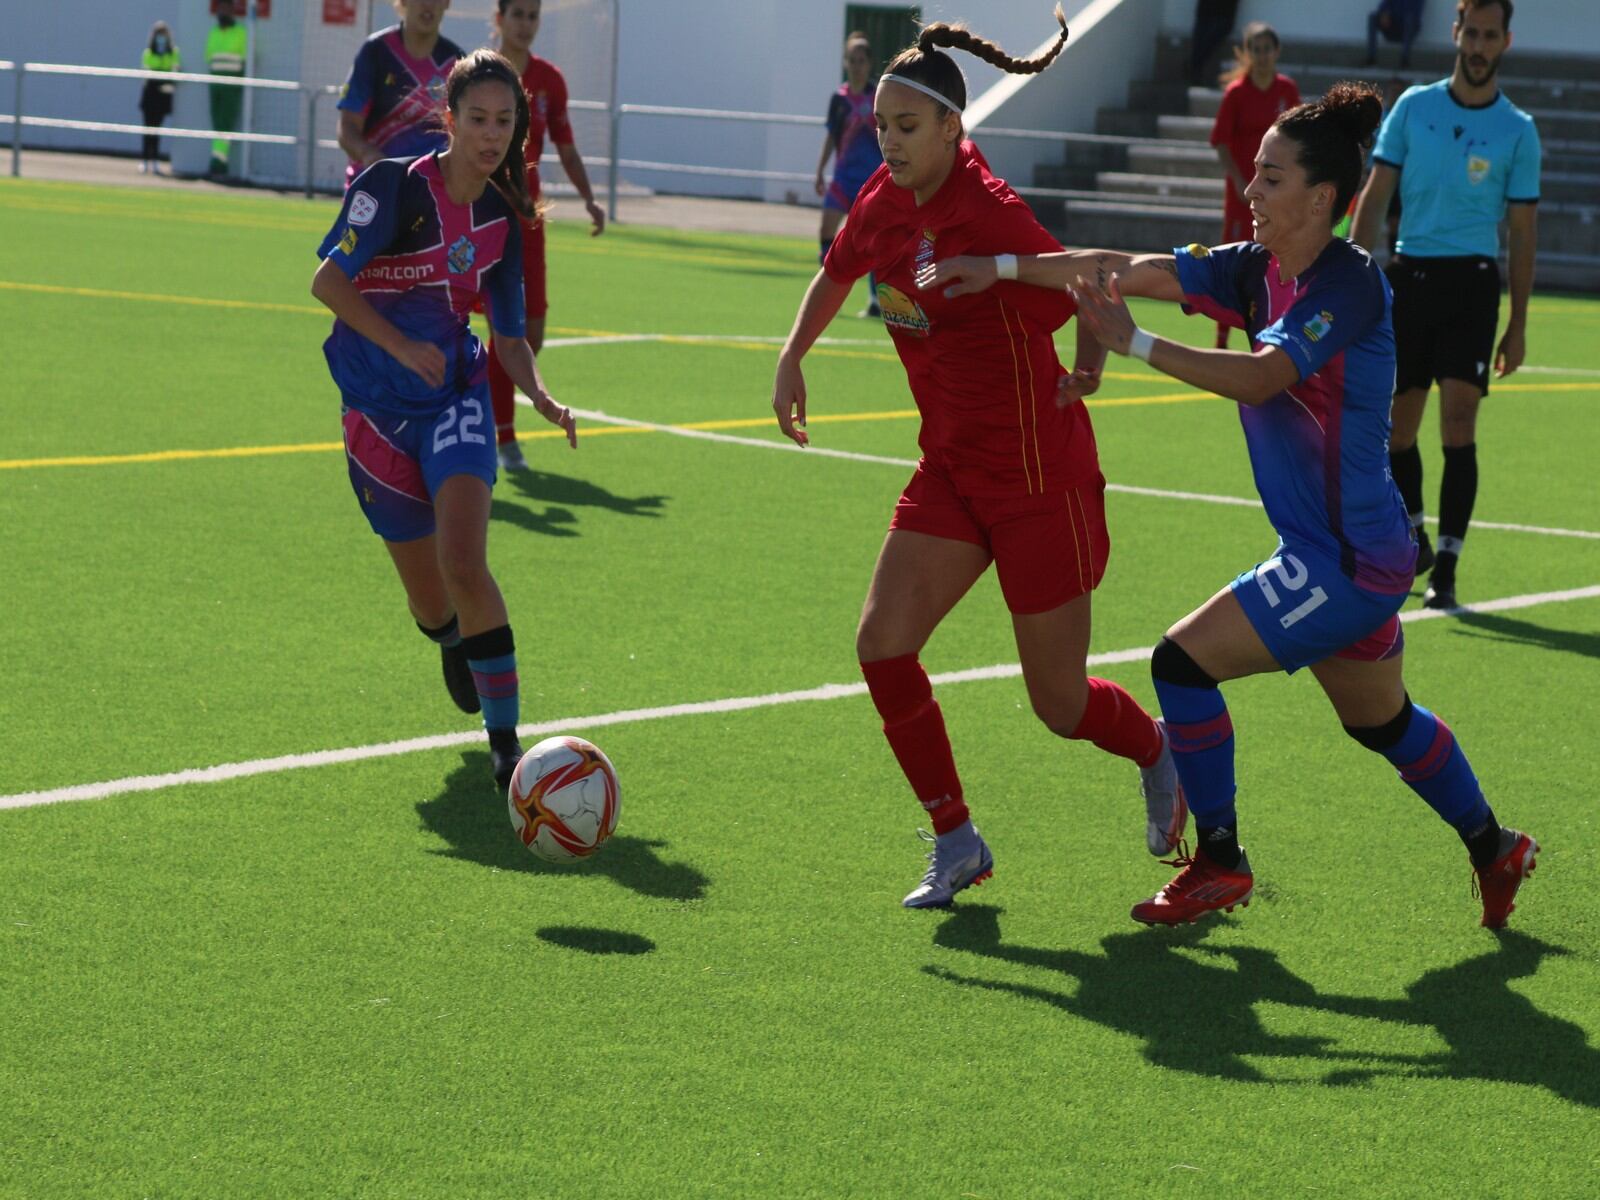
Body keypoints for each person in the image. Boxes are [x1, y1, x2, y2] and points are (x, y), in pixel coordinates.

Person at [922, 82, 1537, 931]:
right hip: (1347, 551)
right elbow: (1121, 270)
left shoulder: (1350, 285)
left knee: (1180, 663)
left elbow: (1261, 377)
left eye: (1270, 178)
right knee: (1381, 721)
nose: (1250, 192)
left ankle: (1219, 860)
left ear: (1322, 199)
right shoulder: (1256, 269)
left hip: (1345, 560)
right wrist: (996, 268)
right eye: (1253, 174)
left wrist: (1130, 341)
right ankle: (1495, 846)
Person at [771, 5, 1187, 912]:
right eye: (881, 125)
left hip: (1041, 483)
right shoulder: (883, 204)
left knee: (1059, 706)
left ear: (954, 129)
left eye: (906, 126)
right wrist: (793, 354)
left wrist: (1086, 366)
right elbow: (838, 268)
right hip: (953, 471)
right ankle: (957, 839)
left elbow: (1084, 276)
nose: (888, 141)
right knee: (882, 645)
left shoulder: (990, 213)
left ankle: (1158, 750)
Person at [311, 49, 578, 792]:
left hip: (455, 400)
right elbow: (328, 279)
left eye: (506, 121)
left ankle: (507, 748)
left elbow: (511, 337)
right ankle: (449, 637)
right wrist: (399, 344)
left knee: (465, 562)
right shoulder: (393, 184)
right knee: (430, 604)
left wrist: (542, 396)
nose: (493, 135)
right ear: (449, 120)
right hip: (373, 412)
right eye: (479, 119)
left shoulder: (503, 219)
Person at [1350, 0, 1539, 609]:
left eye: (1491, 36)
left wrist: (1518, 324)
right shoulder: (1414, 108)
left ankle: (1448, 567)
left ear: (1506, 41)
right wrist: (1353, 278)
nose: (1479, 47)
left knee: (1458, 423)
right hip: (1411, 278)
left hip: (1474, 284)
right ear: (1456, 34)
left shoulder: (1519, 129)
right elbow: (1375, 198)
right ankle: (1417, 537)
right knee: (1396, 434)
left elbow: (1523, 231)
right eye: (1471, 33)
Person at [486, 0, 607, 474]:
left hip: (528, 222)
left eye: (533, 15)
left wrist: (590, 199)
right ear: (499, 19)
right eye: (517, 13)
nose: (525, 24)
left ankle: (484, 408)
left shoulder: (549, 81)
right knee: (495, 329)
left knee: (529, 333)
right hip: (481, 217)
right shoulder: (478, 73)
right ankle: (502, 436)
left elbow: (567, 148)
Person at [1207, 22, 1298, 348]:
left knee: (1275, 262)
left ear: (1276, 52)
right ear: (1248, 54)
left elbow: (1299, 139)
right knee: (1232, 265)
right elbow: (1220, 142)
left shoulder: (1287, 91)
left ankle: (1274, 337)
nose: (1261, 56)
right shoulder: (1237, 94)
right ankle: (1220, 342)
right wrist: (1242, 181)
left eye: (1266, 49)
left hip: (1277, 196)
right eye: (1255, 50)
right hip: (1242, 197)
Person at [336, 0, 464, 191]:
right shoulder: (376, 52)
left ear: (446, 3)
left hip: (432, 192)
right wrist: (370, 156)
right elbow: (347, 128)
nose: (428, 6)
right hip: (374, 187)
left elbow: (464, 134)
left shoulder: (457, 62)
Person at [814, 31, 884, 319]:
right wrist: (820, 170)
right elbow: (832, 136)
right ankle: (826, 297)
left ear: (869, 64)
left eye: (861, 60)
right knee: (826, 233)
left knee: (873, 242)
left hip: (870, 181)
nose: (856, 65)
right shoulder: (839, 99)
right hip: (843, 178)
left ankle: (875, 300)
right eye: (852, 60)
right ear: (845, 63)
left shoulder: (878, 97)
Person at [205, 0, 248, 178]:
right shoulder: (214, 31)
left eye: (226, 8)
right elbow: (209, 56)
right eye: (220, 7)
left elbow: (243, 59)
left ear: (232, 10)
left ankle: (219, 164)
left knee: (225, 123)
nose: (222, 11)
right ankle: (217, 160)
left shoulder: (240, 32)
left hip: (231, 84)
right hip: (215, 84)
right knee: (217, 123)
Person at [139, 21, 180, 175]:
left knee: (157, 129)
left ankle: (155, 161)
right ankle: (144, 161)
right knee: (147, 129)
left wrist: (167, 81)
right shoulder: (148, 53)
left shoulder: (172, 52)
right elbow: (147, 74)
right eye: (158, 34)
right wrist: (161, 80)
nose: (161, 38)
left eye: (163, 34)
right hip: (149, 95)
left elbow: (175, 72)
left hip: (162, 98)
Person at [1365, 0, 1426, 70]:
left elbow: (1415, 12)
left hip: (1407, 30)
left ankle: (1405, 60)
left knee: (1410, 20)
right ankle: (1371, 58)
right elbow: (1384, 5)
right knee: (1373, 17)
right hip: (1392, 27)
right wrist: (1385, 13)